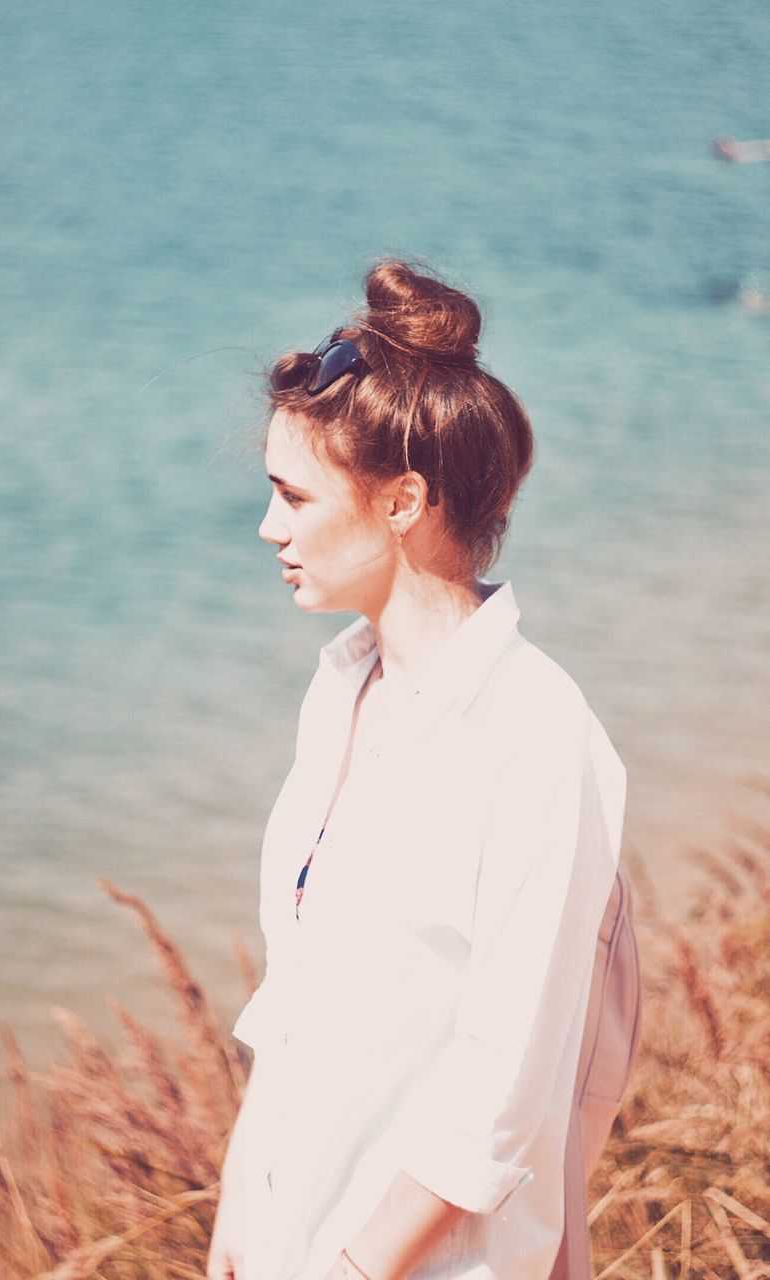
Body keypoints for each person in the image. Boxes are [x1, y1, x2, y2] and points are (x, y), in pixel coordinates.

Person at [207, 260, 633, 1280]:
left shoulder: (532, 734)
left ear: (401, 500)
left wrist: (348, 1268)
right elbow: (299, 994)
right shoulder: (343, 690)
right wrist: (237, 1208)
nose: (270, 527)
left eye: (292, 495)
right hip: (291, 1235)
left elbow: (499, 1095)